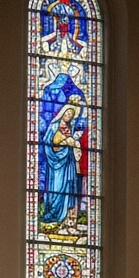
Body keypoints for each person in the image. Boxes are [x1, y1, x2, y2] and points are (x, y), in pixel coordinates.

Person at [41, 100, 84, 235]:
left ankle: (68, 220)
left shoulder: (70, 128)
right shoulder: (54, 126)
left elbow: (73, 142)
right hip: (56, 164)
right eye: (67, 114)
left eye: (71, 115)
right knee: (57, 188)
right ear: (62, 113)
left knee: (69, 188)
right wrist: (63, 143)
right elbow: (47, 142)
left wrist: (72, 144)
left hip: (68, 163)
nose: (68, 117)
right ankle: (54, 216)